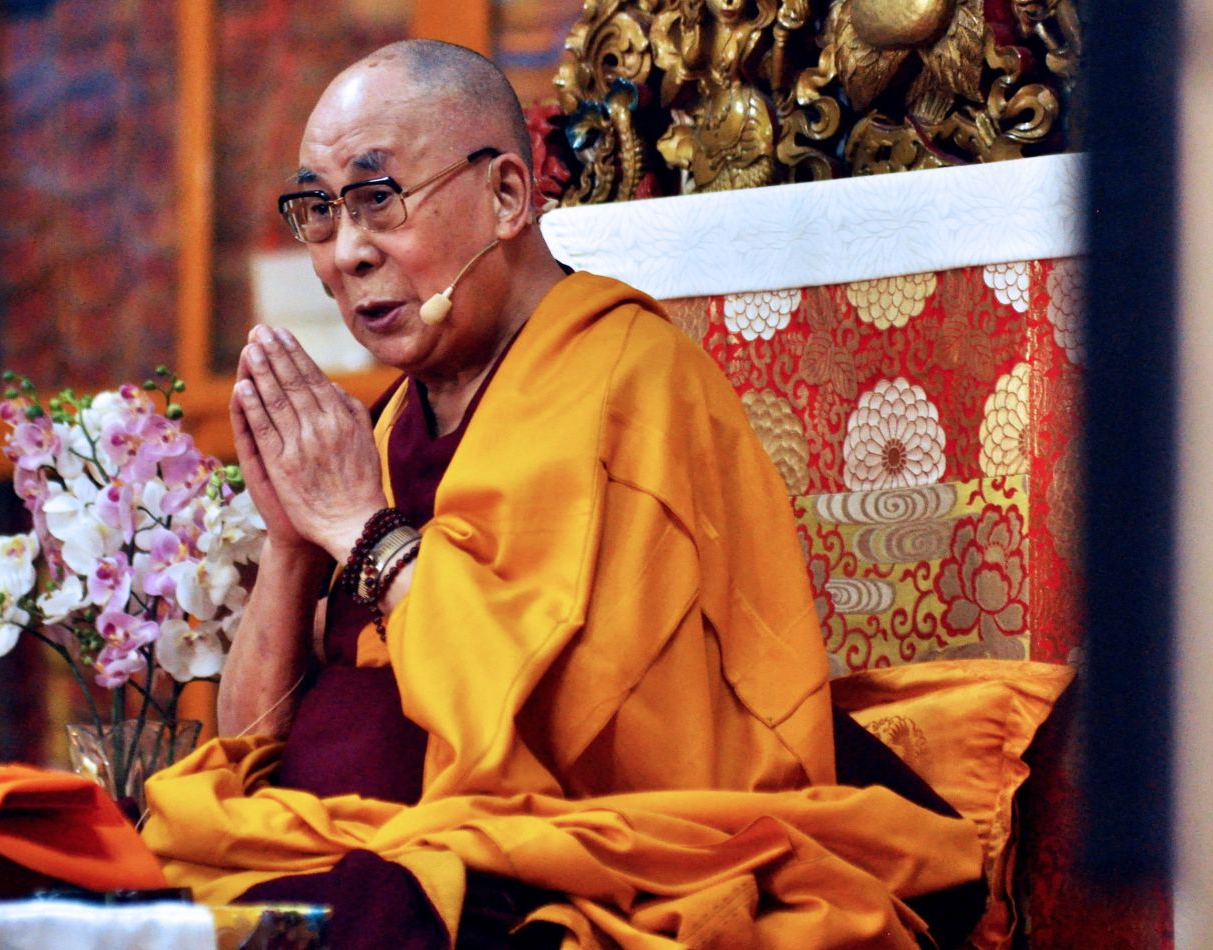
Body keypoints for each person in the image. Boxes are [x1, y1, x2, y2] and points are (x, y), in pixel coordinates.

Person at [142, 40, 984, 948]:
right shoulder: (386, 427)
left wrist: (364, 530)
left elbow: (562, 738)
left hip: (539, 868)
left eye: (378, 200)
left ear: (506, 196)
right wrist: (294, 540)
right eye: (319, 210)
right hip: (341, 841)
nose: (346, 253)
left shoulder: (630, 384)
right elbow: (250, 737)